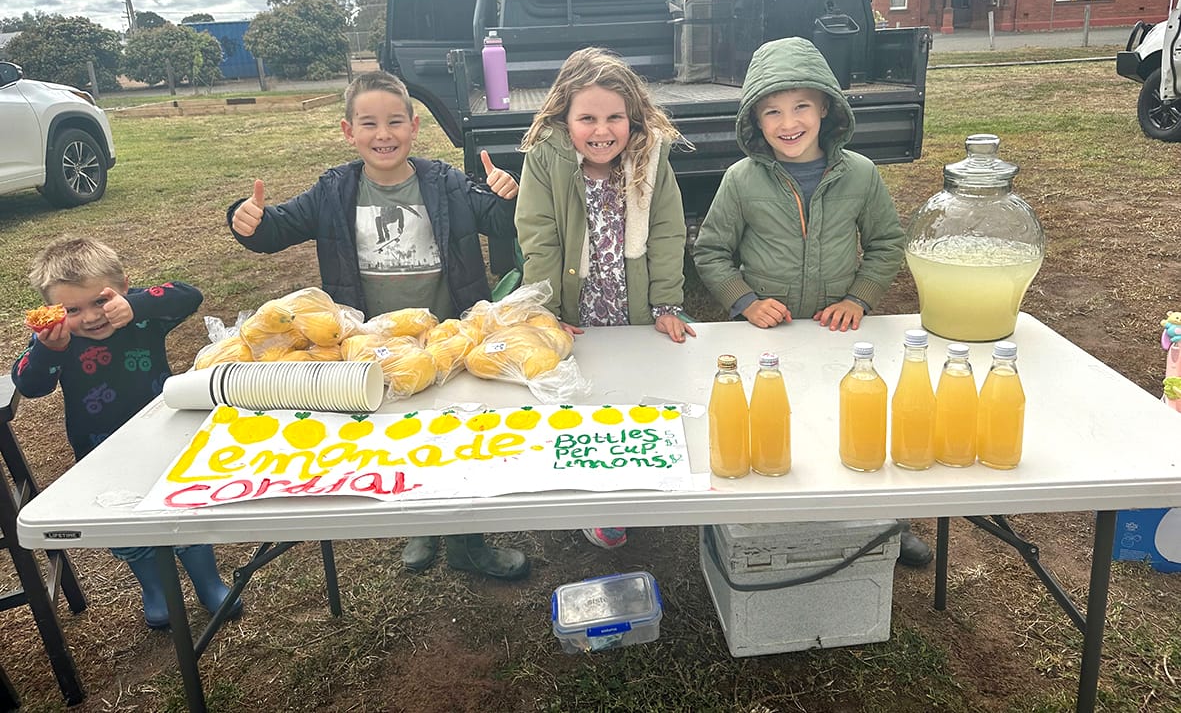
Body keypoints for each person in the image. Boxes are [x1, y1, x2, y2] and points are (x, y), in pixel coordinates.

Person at [226, 70, 529, 580]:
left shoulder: (446, 183)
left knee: (455, 434)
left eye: (394, 122)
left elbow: (498, 220)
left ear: (414, 127)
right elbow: (276, 228)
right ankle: (421, 521)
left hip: (446, 335)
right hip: (371, 343)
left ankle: (468, 542)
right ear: (349, 132)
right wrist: (246, 217)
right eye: (369, 123)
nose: (382, 133)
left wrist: (506, 193)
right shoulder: (334, 190)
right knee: (400, 436)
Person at [692, 36, 932, 567]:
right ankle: (774, 517)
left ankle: (887, 524)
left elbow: (888, 243)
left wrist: (859, 298)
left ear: (826, 108)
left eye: (802, 105)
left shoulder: (861, 175)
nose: (788, 122)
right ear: (756, 121)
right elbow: (711, 251)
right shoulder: (740, 180)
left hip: (839, 336)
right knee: (777, 424)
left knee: (856, 421)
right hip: (768, 340)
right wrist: (745, 301)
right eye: (772, 111)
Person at [11, 237, 244, 628]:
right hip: (102, 453)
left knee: (181, 510)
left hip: (166, 438)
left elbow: (188, 296)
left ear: (122, 286)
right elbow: (30, 384)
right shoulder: (58, 342)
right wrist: (48, 348)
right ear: (53, 311)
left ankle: (209, 583)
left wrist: (134, 305)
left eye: (100, 300)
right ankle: (155, 591)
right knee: (125, 526)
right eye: (72, 309)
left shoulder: (141, 316)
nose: (90, 317)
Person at [515, 46, 693, 550]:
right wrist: (544, 313)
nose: (601, 130)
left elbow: (665, 233)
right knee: (582, 402)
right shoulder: (546, 161)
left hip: (632, 307)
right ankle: (592, 497)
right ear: (563, 117)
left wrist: (666, 305)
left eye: (615, 117)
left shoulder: (649, 161)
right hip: (578, 311)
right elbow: (539, 236)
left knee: (637, 394)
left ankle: (639, 484)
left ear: (633, 118)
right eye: (587, 118)